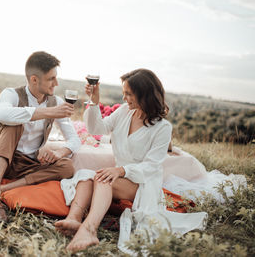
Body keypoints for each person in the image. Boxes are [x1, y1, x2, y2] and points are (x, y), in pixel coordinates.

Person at [55, 69, 207, 252]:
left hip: (143, 183)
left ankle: (89, 230)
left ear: (145, 95)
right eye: (124, 92)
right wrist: (94, 102)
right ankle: (74, 218)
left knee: (103, 179)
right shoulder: (125, 112)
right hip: (122, 177)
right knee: (86, 175)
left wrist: (120, 171)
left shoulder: (163, 128)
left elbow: (151, 166)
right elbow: (97, 127)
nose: (124, 97)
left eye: (129, 94)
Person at [0, 51, 81, 221]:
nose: (56, 83)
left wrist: (59, 153)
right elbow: (3, 115)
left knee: (67, 167)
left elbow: (74, 140)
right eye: (51, 79)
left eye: (56, 78)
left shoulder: (56, 103)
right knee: (12, 124)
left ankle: (0, 189)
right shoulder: (11, 94)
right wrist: (49, 112)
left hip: (28, 166)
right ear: (34, 79)